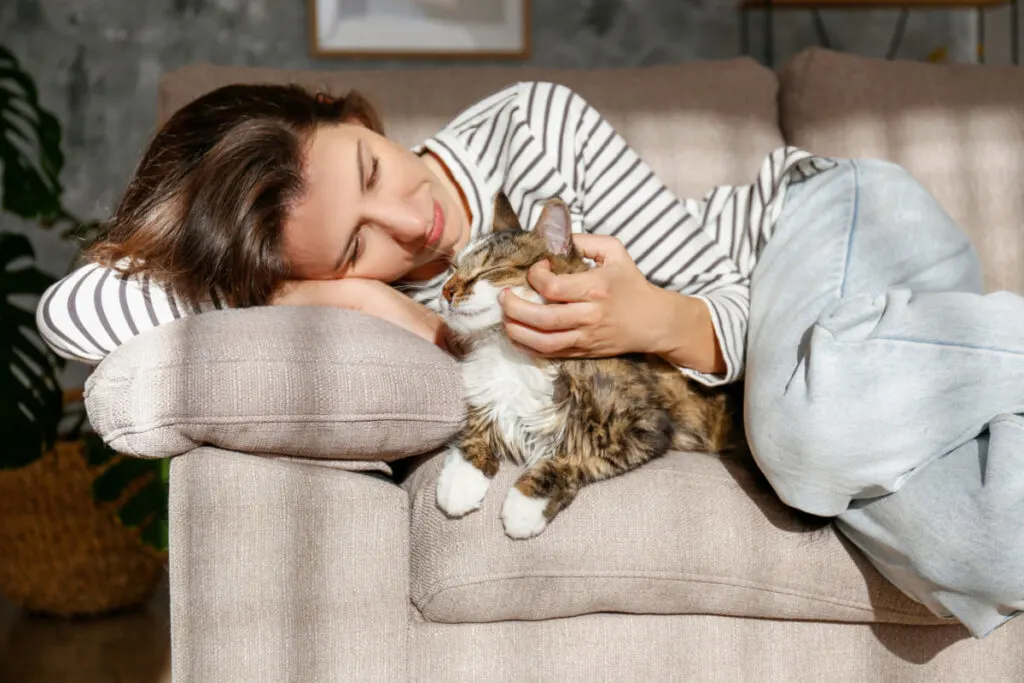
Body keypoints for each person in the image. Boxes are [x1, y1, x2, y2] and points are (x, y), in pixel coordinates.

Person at [36, 80, 1022, 639]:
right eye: (355, 244)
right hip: (891, 359)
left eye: (373, 170)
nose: (409, 220)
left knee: (809, 432)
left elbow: (729, 298)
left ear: (357, 117)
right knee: (975, 554)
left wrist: (647, 316)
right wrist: (313, 291)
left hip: (819, 234)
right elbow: (75, 313)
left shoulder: (530, 129)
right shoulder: (402, 301)